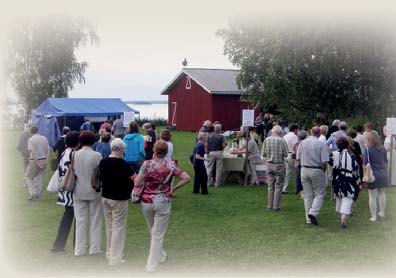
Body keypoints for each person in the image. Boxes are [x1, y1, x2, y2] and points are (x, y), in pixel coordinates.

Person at [134, 140, 191, 272]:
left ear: (154, 150)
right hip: (163, 201)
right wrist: (174, 189)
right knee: (157, 233)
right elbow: (187, 177)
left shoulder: (147, 164)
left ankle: (159, 257)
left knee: (153, 231)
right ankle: (151, 264)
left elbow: (137, 182)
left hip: (147, 200)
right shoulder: (171, 165)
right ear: (166, 152)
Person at [99, 138, 136, 266]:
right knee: (118, 227)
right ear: (120, 149)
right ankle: (115, 257)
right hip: (119, 198)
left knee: (110, 226)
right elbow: (135, 179)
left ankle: (110, 252)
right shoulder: (123, 164)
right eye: (124, 150)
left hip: (105, 196)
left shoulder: (103, 162)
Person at [73, 131, 103, 256]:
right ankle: (94, 248)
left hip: (79, 190)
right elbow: (100, 173)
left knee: (80, 221)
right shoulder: (97, 155)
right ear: (93, 141)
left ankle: (79, 250)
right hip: (94, 191)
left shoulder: (75, 154)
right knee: (95, 220)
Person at [51, 131, 80, 253]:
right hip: (72, 189)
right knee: (77, 218)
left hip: (64, 189)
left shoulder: (64, 152)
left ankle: (59, 244)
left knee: (68, 216)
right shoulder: (74, 154)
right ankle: (77, 245)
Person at [296, 126, 329, 225]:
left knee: (308, 195)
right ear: (319, 133)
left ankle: (308, 219)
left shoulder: (302, 143)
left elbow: (298, 157)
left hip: (304, 169)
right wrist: (323, 171)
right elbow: (324, 161)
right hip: (316, 169)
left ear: (311, 132)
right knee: (320, 193)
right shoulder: (320, 144)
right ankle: (313, 213)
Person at [331, 137, 360, 228]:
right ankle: (343, 219)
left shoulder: (334, 154)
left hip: (337, 179)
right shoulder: (351, 155)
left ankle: (341, 213)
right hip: (348, 179)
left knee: (339, 196)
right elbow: (355, 167)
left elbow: (330, 163)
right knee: (347, 198)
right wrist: (358, 180)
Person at [261, 125, 288, 211]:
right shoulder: (281, 140)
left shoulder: (266, 140)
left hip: (269, 164)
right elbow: (286, 154)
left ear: (273, 131)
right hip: (279, 164)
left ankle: (270, 205)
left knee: (270, 185)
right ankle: (276, 206)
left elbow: (263, 154)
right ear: (280, 132)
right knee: (278, 186)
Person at [364, 131, 388, 222]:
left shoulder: (367, 150)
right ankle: (382, 213)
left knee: (372, 196)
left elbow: (365, 164)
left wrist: (364, 175)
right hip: (383, 173)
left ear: (369, 140)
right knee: (382, 194)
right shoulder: (383, 148)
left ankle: (374, 217)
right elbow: (385, 161)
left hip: (372, 174)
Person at [25, 125, 50, 200]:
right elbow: (48, 150)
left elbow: (33, 152)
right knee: (40, 177)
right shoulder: (44, 138)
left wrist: (37, 162)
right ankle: (37, 195)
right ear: (37, 130)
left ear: (31, 132)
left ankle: (34, 193)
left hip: (34, 160)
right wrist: (46, 161)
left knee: (28, 177)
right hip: (43, 159)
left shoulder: (31, 140)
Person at [282, 124, 299, 194]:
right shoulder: (294, 136)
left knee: (287, 173)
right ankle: (298, 189)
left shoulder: (285, 136)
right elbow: (295, 146)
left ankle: (284, 189)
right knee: (297, 172)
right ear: (295, 130)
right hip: (292, 155)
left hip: (285, 155)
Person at [294, 130, 308, 199]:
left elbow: (296, 155)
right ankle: (304, 193)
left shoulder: (297, 144)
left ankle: (302, 193)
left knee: (299, 179)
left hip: (300, 162)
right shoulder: (307, 143)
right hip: (305, 162)